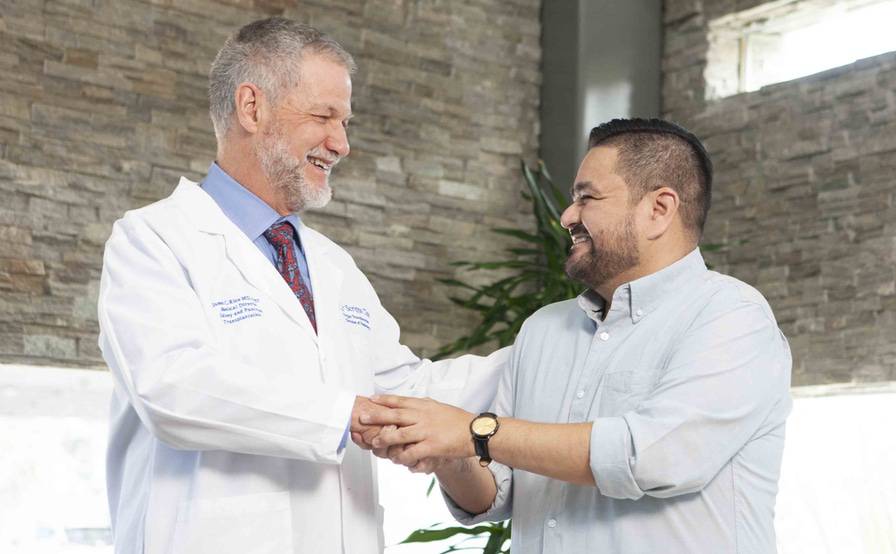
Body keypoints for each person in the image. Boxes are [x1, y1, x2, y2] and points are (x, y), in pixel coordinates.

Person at [98, 17, 507, 554]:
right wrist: (345, 415)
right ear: (252, 108)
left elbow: (403, 389)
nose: (341, 143)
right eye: (324, 116)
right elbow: (169, 386)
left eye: (345, 122)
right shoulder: (153, 240)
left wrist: (543, 352)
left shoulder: (333, 266)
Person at [363, 118, 793, 554]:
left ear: (659, 209)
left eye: (587, 198)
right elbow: (500, 491)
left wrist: (473, 432)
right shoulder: (543, 329)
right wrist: (453, 459)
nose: (567, 216)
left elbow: (653, 456)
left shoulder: (733, 317)